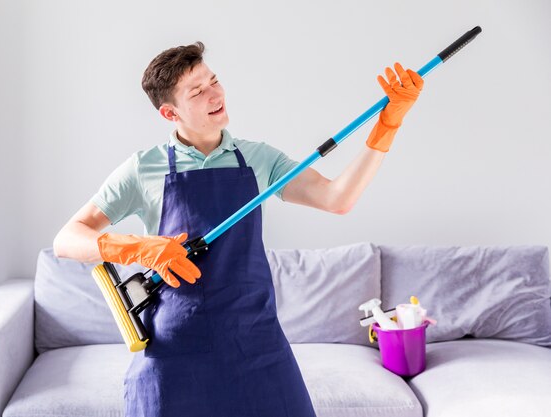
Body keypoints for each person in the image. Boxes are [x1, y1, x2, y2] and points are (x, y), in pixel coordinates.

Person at [53, 41, 423, 417]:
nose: (215, 94)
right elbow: (67, 239)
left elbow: (337, 198)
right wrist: (140, 248)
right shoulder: (142, 169)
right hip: (175, 346)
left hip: (255, 341)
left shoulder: (258, 158)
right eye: (197, 91)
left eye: (213, 81)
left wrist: (388, 124)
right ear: (169, 112)